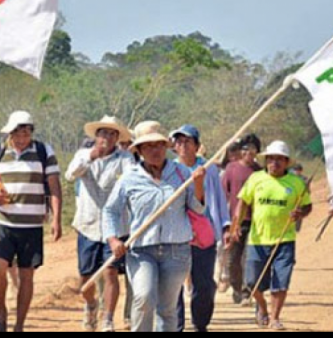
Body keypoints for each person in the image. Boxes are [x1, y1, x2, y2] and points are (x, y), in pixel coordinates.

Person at [104, 121, 206, 332]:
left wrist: (197, 183)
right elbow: (111, 210)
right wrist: (113, 239)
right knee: (143, 297)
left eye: (159, 145)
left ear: (166, 146)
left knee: (167, 309)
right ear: (139, 150)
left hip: (177, 250)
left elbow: (198, 209)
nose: (155, 150)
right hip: (142, 250)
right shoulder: (129, 178)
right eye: (148, 146)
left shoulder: (181, 173)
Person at [0, 111, 63, 332]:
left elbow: (54, 186)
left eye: (26, 130)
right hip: (3, 222)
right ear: (10, 132)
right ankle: (1, 310)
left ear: (31, 131)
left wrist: (56, 218)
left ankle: (19, 325)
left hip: (32, 225)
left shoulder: (44, 152)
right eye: (17, 130)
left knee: (26, 274)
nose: (22, 135)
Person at [229, 141, 313, 331]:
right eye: (271, 158)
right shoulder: (256, 179)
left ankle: (275, 318)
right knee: (251, 282)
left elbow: (308, 206)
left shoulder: (297, 183)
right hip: (257, 240)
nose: (274, 162)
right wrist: (235, 226)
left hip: (285, 240)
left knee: (280, 283)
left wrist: (300, 213)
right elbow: (242, 203)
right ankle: (263, 307)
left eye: (279, 159)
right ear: (266, 160)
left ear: (286, 162)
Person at [66, 116, 135, 332]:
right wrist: (90, 157)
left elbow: (131, 182)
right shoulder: (83, 155)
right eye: (103, 133)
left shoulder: (125, 159)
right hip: (88, 223)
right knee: (86, 276)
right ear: (96, 136)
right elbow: (70, 175)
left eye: (112, 133)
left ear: (117, 137)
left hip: (114, 226)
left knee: (110, 271)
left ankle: (108, 319)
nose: (106, 137)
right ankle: (91, 305)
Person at [170, 125, 231, 333]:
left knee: (203, 283)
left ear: (197, 146)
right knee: (174, 283)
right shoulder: (170, 170)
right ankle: (175, 325)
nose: (183, 146)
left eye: (188, 141)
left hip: (204, 233)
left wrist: (225, 225)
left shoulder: (209, 169)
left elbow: (219, 199)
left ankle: (200, 322)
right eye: (178, 142)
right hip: (177, 234)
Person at [222, 134, 262, 305]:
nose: (248, 153)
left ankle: (247, 291)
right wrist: (227, 222)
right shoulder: (231, 168)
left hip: (255, 220)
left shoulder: (260, 171)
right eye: (245, 149)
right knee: (233, 260)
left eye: (252, 149)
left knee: (249, 257)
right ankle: (237, 288)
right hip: (235, 220)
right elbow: (224, 194)